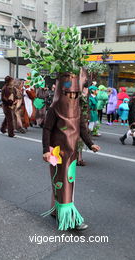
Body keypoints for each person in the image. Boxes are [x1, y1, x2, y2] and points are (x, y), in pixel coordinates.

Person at [42, 72, 100, 231]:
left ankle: (56, 209)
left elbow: (82, 128)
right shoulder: (54, 108)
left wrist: (91, 144)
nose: (72, 97)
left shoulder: (78, 108)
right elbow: (46, 129)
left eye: (75, 94)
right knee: (62, 182)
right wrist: (46, 150)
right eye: (69, 94)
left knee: (65, 182)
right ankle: (70, 217)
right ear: (62, 92)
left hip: (72, 153)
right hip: (56, 152)